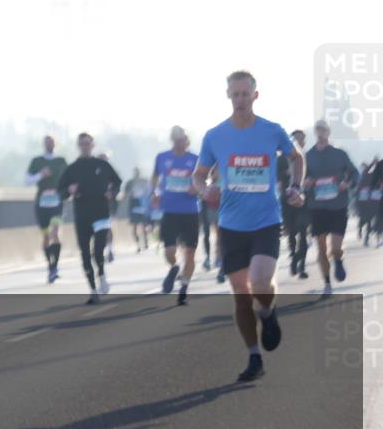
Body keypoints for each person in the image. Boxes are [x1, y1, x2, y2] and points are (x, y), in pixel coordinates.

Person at [192, 70, 305, 382]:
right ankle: (254, 357)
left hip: (266, 221)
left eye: (246, 94)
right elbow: (198, 175)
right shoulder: (215, 136)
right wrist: (205, 191)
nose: (240, 99)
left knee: (259, 280)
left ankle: (267, 313)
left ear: (256, 96)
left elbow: (297, 157)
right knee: (241, 293)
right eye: (235, 94)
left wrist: (297, 187)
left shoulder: (272, 130)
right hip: (231, 225)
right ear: (228, 95)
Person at [58, 133, 122, 304]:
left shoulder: (102, 165)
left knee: (98, 250)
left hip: (101, 213)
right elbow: (61, 191)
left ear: (93, 145)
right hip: (82, 215)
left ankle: (101, 273)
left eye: (88, 143)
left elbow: (117, 181)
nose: (85, 146)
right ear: (78, 146)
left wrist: (112, 193)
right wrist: (68, 190)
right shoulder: (72, 168)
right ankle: (93, 289)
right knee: (85, 253)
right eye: (82, 144)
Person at [304, 120, 360, 297]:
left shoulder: (339, 154)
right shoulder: (308, 156)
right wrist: (306, 182)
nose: (320, 133)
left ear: (329, 132)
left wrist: (347, 183)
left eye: (323, 130)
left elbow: (355, 173)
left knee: (335, 247)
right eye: (318, 130)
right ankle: (327, 283)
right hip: (317, 206)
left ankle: (338, 258)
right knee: (321, 249)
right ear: (315, 132)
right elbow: (300, 179)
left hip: (338, 205)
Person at [152, 126, 200, 306]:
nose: (179, 143)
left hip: (190, 211)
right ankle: (174, 267)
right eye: (176, 140)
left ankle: (184, 290)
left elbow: (206, 178)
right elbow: (155, 178)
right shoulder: (162, 157)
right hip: (169, 210)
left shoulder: (195, 159)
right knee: (169, 251)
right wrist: (155, 192)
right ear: (172, 140)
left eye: (182, 140)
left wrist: (197, 187)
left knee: (190, 254)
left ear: (187, 141)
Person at [25, 135, 68, 282]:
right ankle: (49, 265)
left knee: (55, 233)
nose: (49, 144)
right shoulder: (37, 161)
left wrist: (64, 191)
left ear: (56, 144)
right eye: (47, 142)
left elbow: (68, 180)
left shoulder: (61, 161)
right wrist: (40, 175)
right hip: (42, 203)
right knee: (46, 237)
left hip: (57, 202)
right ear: (43, 144)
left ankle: (55, 266)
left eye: (52, 142)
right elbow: (26, 181)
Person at [278, 130, 312, 278]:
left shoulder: (308, 157)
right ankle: (293, 256)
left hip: (305, 201)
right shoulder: (281, 159)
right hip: (287, 200)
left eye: (301, 140)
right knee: (291, 232)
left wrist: (310, 181)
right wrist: (285, 176)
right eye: (296, 140)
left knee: (304, 233)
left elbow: (315, 174)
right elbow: (276, 175)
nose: (299, 142)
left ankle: (302, 265)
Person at [124, 168, 151, 253]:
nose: (137, 173)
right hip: (133, 204)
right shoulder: (130, 182)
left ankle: (146, 241)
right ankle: (138, 244)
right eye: (135, 172)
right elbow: (126, 194)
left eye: (138, 172)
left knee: (144, 225)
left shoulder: (145, 181)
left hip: (143, 203)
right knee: (135, 226)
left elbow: (149, 191)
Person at [99, 152, 118, 262]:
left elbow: (117, 187)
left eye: (105, 159)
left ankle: (110, 250)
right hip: (95, 206)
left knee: (108, 228)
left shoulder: (112, 173)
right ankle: (99, 250)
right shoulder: (93, 173)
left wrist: (112, 194)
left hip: (109, 206)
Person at [356, 161, 376, 246]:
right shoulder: (361, 176)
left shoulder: (372, 176)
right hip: (362, 202)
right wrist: (373, 162)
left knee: (369, 221)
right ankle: (360, 229)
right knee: (363, 219)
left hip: (371, 202)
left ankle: (366, 238)